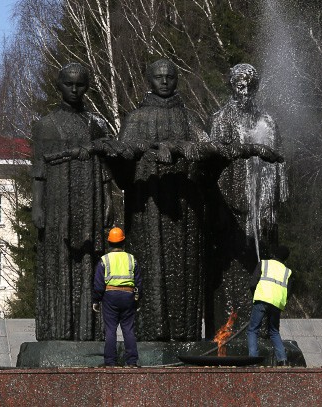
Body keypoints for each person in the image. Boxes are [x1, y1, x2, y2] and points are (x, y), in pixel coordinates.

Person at [113, 59, 210, 341]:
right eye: (158, 77)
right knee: (151, 266)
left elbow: (207, 148)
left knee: (185, 270)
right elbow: (125, 154)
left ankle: (186, 332)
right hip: (149, 207)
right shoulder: (136, 118)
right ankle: (151, 332)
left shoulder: (190, 118)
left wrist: (190, 148)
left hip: (185, 206)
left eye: (170, 76)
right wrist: (157, 148)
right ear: (149, 80)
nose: (165, 81)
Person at [31, 62, 113, 341]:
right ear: (59, 85)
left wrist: (108, 201)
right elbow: (39, 172)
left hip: (89, 201)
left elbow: (104, 168)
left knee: (89, 261)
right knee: (58, 262)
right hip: (57, 204)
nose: (75, 89)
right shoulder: (46, 126)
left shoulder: (95, 125)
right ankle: (57, 329)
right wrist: (38, 206)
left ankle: (88, 331)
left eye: (80, 84)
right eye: (69, 84)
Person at [207, 63, 288, 335]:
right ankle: (226, 330)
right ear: (231, 85)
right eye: (239, 83)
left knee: (258, 268)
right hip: (230, 204)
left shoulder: (267, 121)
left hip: (261, 208)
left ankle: (261, 330)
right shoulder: (220, 119)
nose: (244, 89)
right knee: (230, 268)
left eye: (249, 84)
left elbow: (278, 168)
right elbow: (214, 164)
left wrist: (270, 207)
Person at [92, 227, 143, 367]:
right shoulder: (131, 259)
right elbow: (138, 281)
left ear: (109, 243)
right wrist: (137, 299)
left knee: (110, 329)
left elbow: (98, 283)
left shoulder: (104, 260)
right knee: (128, 329)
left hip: (110, 295)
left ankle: (110, 362)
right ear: (123, 241)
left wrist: (96, 300)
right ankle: (132, 362)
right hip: (128, 295)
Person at [247, 245, 293, 366]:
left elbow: (252, 284)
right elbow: (289, 292)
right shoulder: (287, 271)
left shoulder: (264, 264)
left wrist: (256, 295)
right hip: (276, 304)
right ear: (285, 258)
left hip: (261, 300)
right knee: (274, 332)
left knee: (253, 330)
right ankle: (282, 360)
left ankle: (253, 360)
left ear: (274, 254)